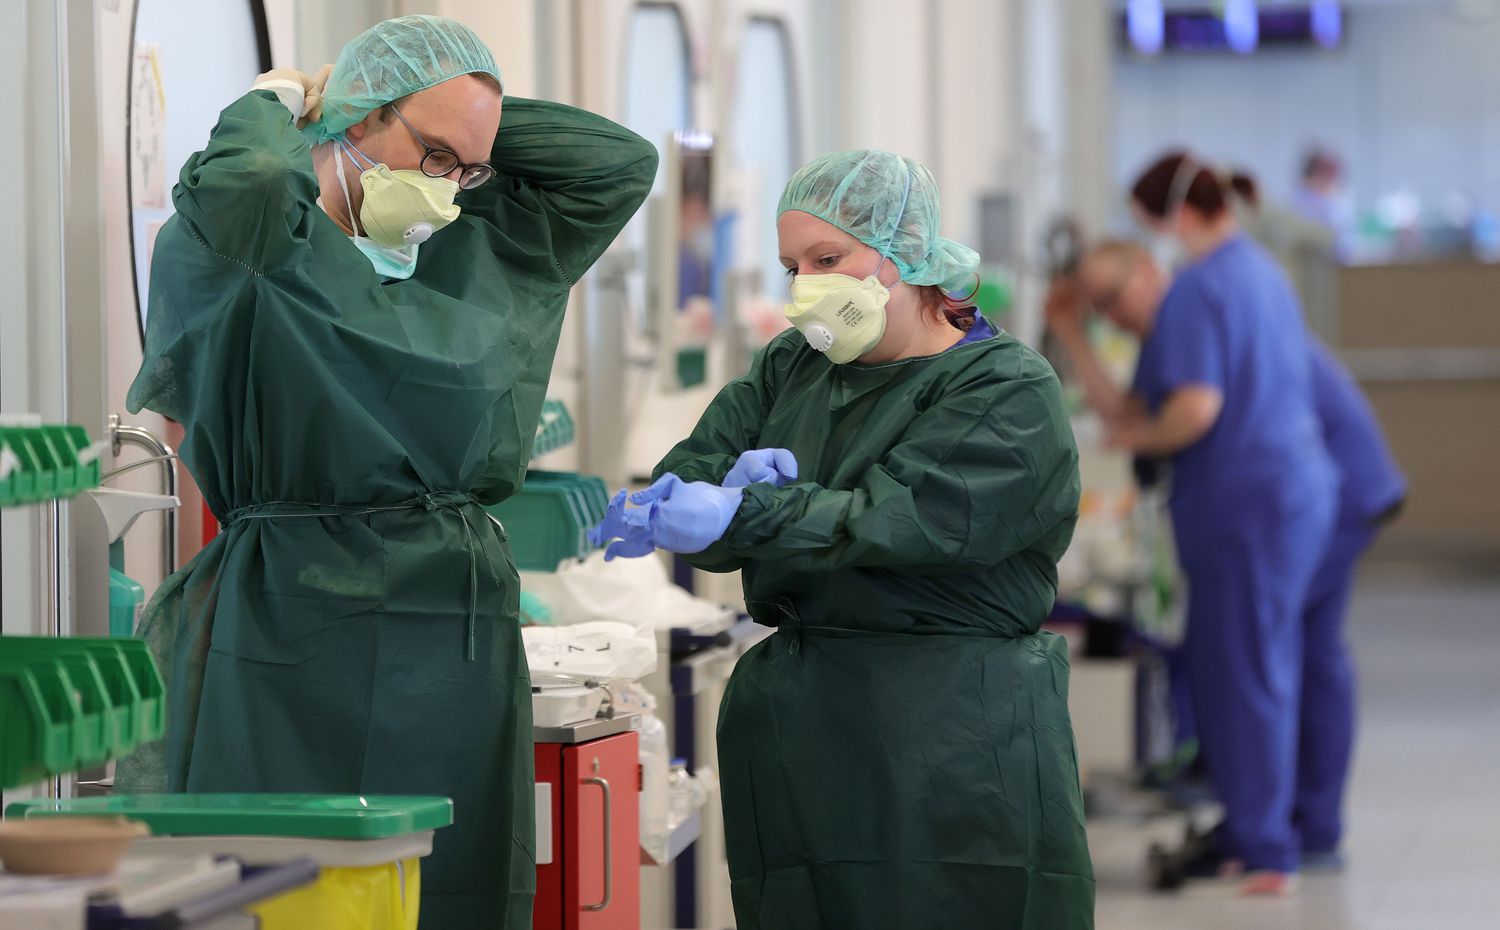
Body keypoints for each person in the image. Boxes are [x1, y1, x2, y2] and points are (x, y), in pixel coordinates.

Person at [118, 16, 656, 929]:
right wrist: (285, 97)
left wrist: (463, 111)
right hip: (288, 609)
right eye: (430, 152)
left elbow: (617, 163)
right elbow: (247, 170)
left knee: (449, 883)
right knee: (282, 880)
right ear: (355, 123)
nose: (445, 185)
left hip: (452, 622)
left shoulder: (477, 247)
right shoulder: (256, 244)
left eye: (466, 168)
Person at [592, 150, 1095, 929]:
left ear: (905, 256)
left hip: (953, 736)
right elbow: (695, 471)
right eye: (792, 264)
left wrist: (750, 514)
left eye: (828, 259)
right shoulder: (796, 364)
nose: (805, 287)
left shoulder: (1005, 389)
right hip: (803, 737)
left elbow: (895, 519)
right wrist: (709, 500)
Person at [1050, 237, 1406, 879]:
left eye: (1113, 297)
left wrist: (1139, 436)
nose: (1112, 315)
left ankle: (1266, 838)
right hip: (1315, 491)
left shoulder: (1195, 306)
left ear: (1150, 269)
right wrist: (1071, 333)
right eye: (1097, 308)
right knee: (1294, 657)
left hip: (1317, 491)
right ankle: (1302, 828)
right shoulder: (1183, 319)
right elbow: (1131, 414)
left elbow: (1182, 417)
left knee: (1259, 659)